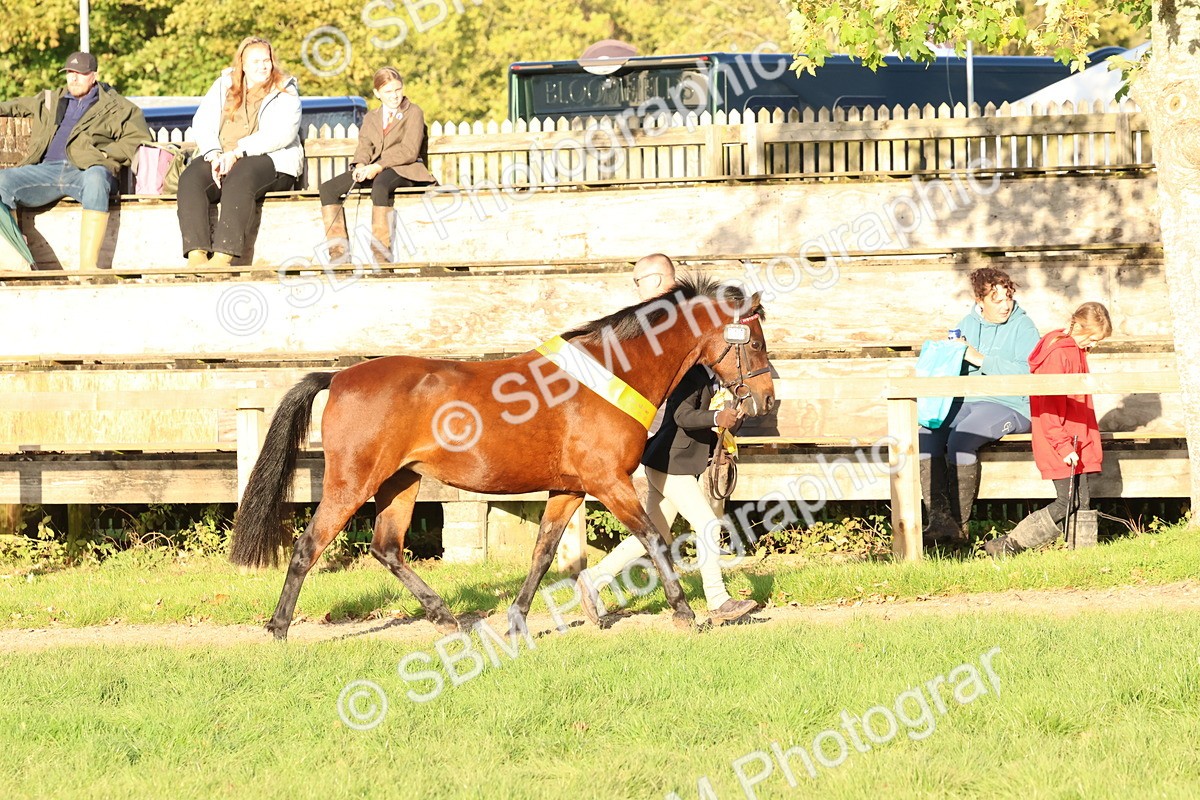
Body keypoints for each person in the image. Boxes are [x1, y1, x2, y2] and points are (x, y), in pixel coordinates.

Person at [575, 254, 759, 626]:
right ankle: (718, 599)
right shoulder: (686, 367)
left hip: (673, 458)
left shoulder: (703, 366)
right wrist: (715, 417)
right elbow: (680, 415)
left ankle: (593, 579)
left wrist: (728, 414)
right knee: (706, 524)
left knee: (655, 531)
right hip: (670, 460)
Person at [920, 267, 1041, 547]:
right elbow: (956, 367)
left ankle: (959, 530)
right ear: (980, 301)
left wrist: (979, 358)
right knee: (926, 435)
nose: (1005, 306)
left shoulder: (1024, 326)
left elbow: (1028, 372)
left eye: (1008, 298)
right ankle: (939, 522)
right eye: (996, 300)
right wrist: (949, 354)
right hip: (968, 400)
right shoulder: (968, 323)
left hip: (1011, 404)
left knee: (961, 439)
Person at [0, 51, 150, 271]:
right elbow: (16, 106)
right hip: (46, 170)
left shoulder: (117, 106)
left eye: (81, 73)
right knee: (2, 181)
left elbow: (139, 139)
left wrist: (104, 155)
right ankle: (17, 262)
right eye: (70, 72)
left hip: (85, 170)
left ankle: (88, 267)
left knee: (97, 178)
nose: (74, 78)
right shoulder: (50, 100)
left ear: (94, 75)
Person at [986, 302, 1112, 556]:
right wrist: (1063, 446)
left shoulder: (1076, 349)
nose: (1094, 345)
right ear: (1080, 326)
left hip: (1077, 436)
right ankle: (1008, 545)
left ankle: (1082, 556)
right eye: (1092, 338)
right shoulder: (1057, 354)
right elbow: (1048, 406)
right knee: (1067, 501)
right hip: (1059, 439)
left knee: (1082, 502)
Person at [177, 37, 302, 268]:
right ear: (242, 64)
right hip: (223, 158)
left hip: (271, 162)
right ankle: (196, 255)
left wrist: (237, 153)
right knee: (191, 178)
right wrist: (214, 154)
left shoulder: (285, 89)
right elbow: (202, 121)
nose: (262, 66)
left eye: (266, 60)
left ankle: (223, 256)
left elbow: (281, 134)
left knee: (242, 173)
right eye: (256, 61)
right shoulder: (223, 85)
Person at [317, 67, 435, 264]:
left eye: (398, 89)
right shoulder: (372, 117)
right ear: (377, 93)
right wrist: (360, 165)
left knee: (380, 186)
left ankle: (381, 257)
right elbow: (364, 145)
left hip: (405, 169)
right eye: (388, 91)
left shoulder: (413, 112)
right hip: (375, 169)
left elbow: (409, 150)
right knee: (327, 189)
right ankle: (338, 254)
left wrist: (378, 166)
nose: (394, 96)